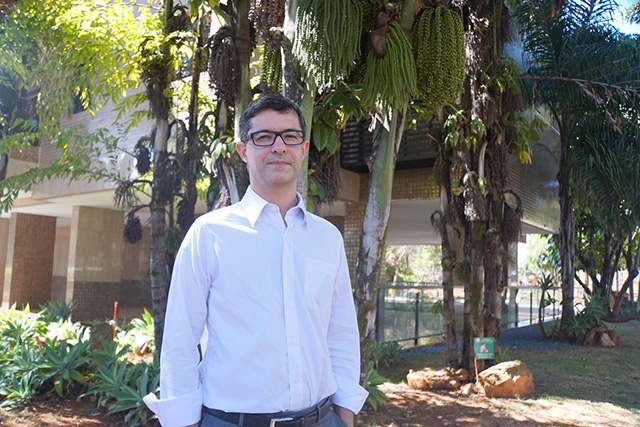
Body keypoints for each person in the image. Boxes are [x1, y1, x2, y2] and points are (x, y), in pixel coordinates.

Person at [144, 93, 368, 427]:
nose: (279, 147)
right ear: (243, 150)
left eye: (290, 136)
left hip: (321, 420)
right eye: (264, 137)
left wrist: (345, 415)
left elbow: (341, 333)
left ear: (304, 149)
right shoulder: (209, 234)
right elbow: (180, 340)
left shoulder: (326, 238)